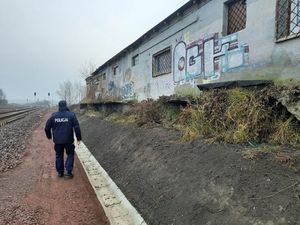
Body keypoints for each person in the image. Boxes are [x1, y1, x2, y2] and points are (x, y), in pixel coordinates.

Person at [45, 100, 82, 178]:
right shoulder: (71, 115)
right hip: (69, 140)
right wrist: (79, 138)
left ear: (59, 106)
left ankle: (60, 172)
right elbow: (76, 127)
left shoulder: (54, 116)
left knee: (59, 155)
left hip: (58, 141)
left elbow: (47, 127)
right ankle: (68, 172)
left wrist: (49, 136)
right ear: (66, 105)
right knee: (70, 154)